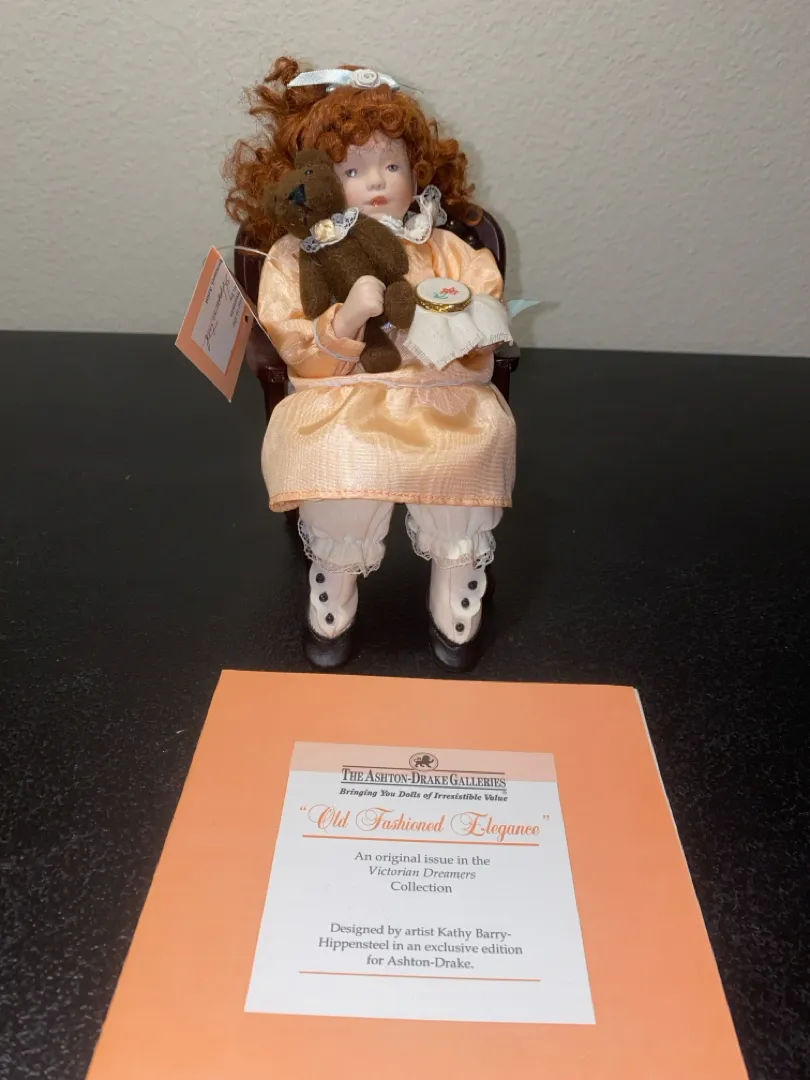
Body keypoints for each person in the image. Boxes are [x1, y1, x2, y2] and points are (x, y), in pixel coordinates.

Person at [224, 58, 516, 672]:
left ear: (419, 169)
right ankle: (334, 579)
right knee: (340, 460)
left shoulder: (445, 247)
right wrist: (347, 319)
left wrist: (454, 323)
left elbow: (483, 307)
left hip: (442, 390)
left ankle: (457, 574)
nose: (377, 182)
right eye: (352, 170)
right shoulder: (297, 256)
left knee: (468, 447)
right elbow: (292, 339)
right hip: (345, 394)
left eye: (393, 165)